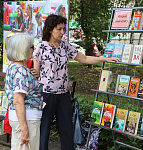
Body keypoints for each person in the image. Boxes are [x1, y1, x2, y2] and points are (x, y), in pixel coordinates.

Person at [32, 14, 120, 150]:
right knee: (44, 130)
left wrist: (104, 59)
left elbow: (84, 59)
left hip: (64, 95)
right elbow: (35, 74)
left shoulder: (66, 46)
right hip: (46, 95)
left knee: (67, 130)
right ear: (50, 29)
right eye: (59, 29)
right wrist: (33, 74)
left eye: (63, 29)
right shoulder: (40, 48)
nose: (62, 32)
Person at [5, 33, 43, 150]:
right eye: (32, 47)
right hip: (27, 118)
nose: (34, 49)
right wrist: (24, 128)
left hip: (24, 117)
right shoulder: (21, 71)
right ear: (24, 50)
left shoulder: (13, 68)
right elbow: (18, 100)